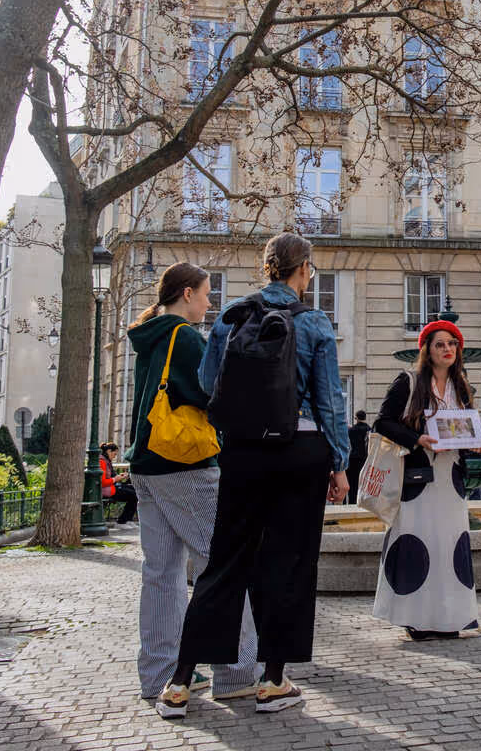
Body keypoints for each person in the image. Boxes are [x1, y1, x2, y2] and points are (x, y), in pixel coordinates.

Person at [157, 234, 349, 719]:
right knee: (289, 564)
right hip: (301, 447)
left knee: (224, 562)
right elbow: (329, 399)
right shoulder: (314, 321)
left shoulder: (231, 315)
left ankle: (178, 686)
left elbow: (206, 383)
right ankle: (273, 681)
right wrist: (340, 462)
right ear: (303, 269)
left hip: (244, 451)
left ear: (267, 268)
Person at [126, 262, 257, 704]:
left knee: (160, 574)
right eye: (204, 295)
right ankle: (239, 672)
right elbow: (211, 393)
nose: (207, 303)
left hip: (145, 464)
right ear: (186, 295)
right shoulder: (182, 336)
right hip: (184, 463)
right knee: (223, 561)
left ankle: (158, 673)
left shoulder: (150, 336)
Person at [371, 320, 479, 641]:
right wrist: (417, 439)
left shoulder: (462, 387)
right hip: (418, 479)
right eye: (440, 344)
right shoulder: (409, 382)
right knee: (418, 545)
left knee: (448, 548)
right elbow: (382, 422)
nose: (447, 349)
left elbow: (465, 429)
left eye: (452, 344)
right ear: (427, 350)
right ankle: (417, 619)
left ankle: (448, 619)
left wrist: (476, 444)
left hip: (451, 480)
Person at [99, 442, 139, 524]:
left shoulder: (106, 460)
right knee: (133, 495)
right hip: (107, 490)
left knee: (134, 490)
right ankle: (123, 521)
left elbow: (110, 477)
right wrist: (115, 479)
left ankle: (126, 519)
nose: (115, 457)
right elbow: (102, 482)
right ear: (109, 451)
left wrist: (119, 477)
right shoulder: (102, 462)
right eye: (114, 454)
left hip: (111, 487)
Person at [346, 411, 370, 504]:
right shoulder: (369, 429)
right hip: (366, 459)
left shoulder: (351, 430)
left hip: (353, 459)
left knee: (353, 483)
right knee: (364, 483)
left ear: (356, 418)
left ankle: (352, 503)